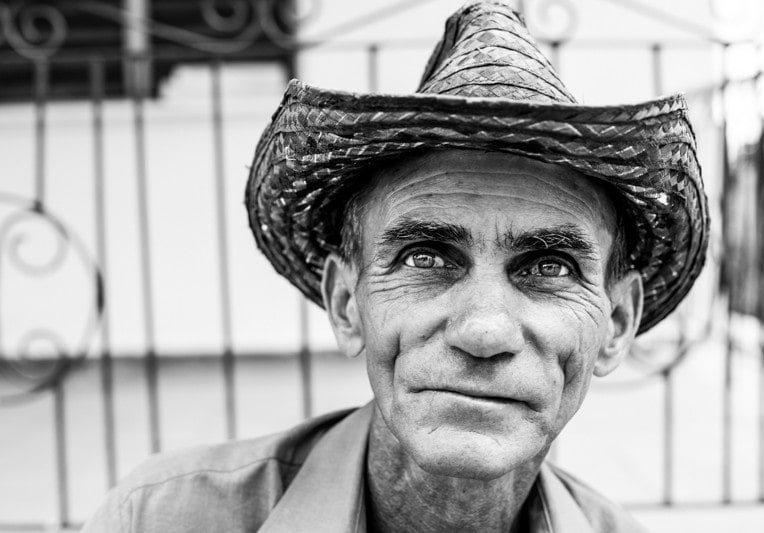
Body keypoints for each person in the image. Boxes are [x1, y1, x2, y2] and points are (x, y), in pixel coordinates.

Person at [83, 1, 708, 531]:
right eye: (427, 257)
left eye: (549, 267)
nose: (484, 331)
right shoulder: (163, 516)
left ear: (618, 321)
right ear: (346, 303)